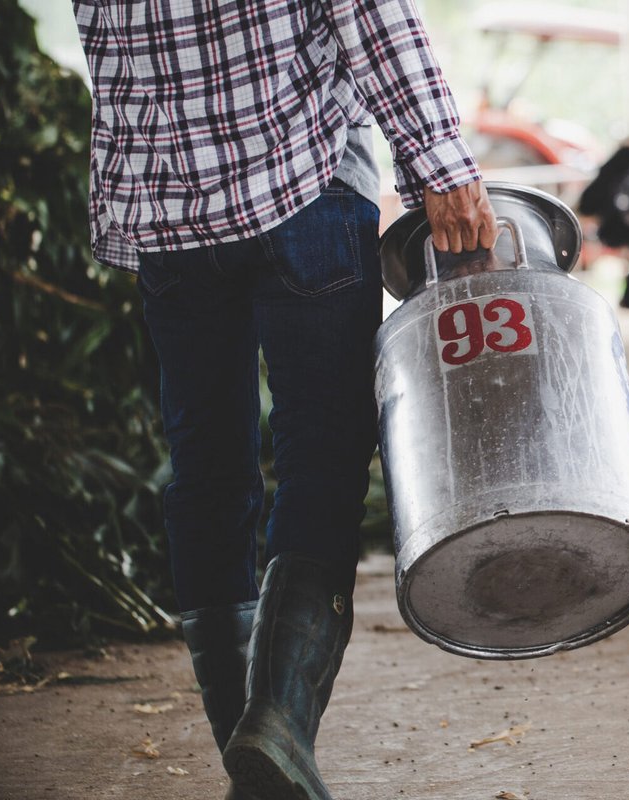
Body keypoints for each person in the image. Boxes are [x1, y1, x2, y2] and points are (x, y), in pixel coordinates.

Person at [70, 2, 496, 797]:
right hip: (305, 186)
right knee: (324, 454)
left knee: (206, 470)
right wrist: (439, 164)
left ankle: (253, 744)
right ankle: (279, 724)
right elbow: (369, 14)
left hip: (169, 210)